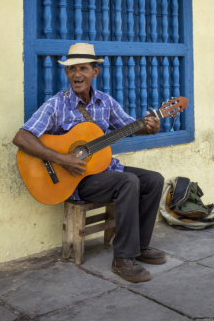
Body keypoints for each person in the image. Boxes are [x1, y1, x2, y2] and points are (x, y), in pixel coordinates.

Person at [13, 43, 166, 283]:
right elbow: (22, 137)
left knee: (153, 180)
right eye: (72, 69)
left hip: (104, 171)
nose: (77, 74)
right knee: (128, 182)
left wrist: (150, 127)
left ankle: (141, 246)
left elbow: (129, 126)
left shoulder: (105, 102)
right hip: (74, 180)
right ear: (66, 73)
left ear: (95, 72)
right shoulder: (56, 104)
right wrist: (62, 158)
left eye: (83, 68)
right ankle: (123, 258)